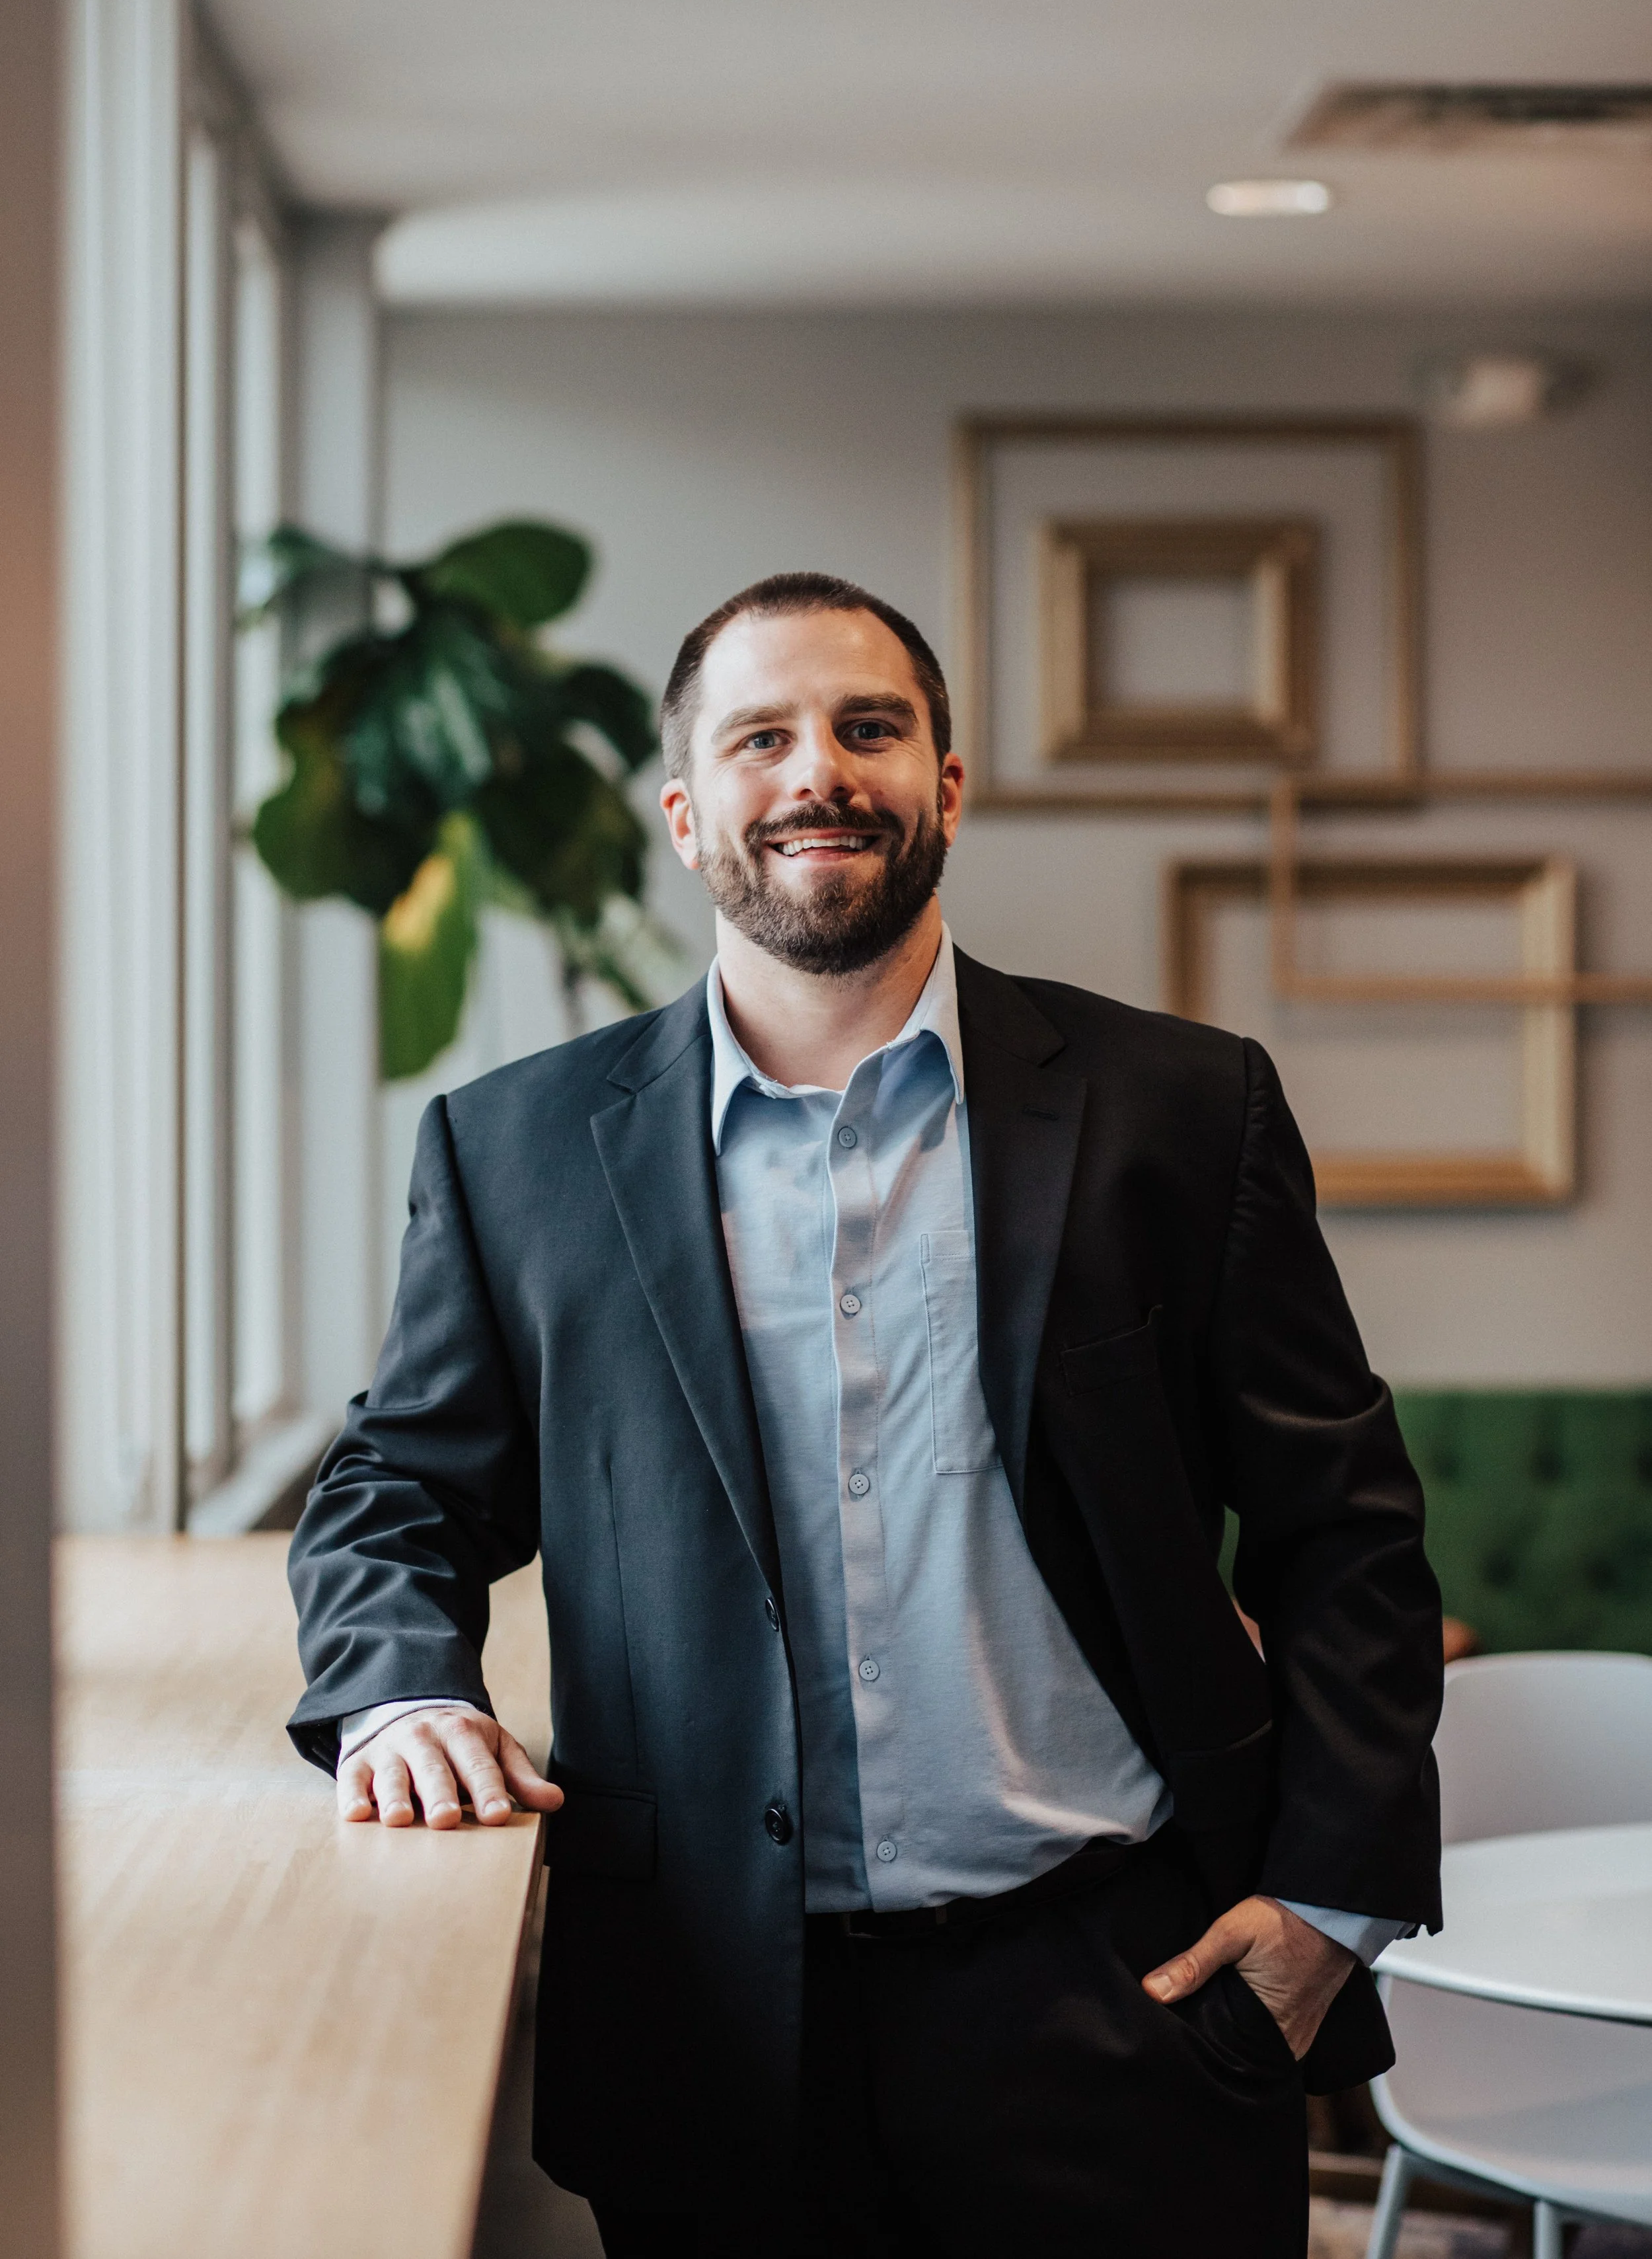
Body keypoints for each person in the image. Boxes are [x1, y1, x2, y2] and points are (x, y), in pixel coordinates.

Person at [287, 572, 1443, 2258]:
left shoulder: (1179, 1111)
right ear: (688, 817)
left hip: (1128, 1993)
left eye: (869, 727)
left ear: (945, 788)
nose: (819, 770)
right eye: (762, 738)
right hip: (708, 2017)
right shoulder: (514, 1149)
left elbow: (1343, 1530)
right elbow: (396, 1488)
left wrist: (1326, 1912)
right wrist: (396, 1700)